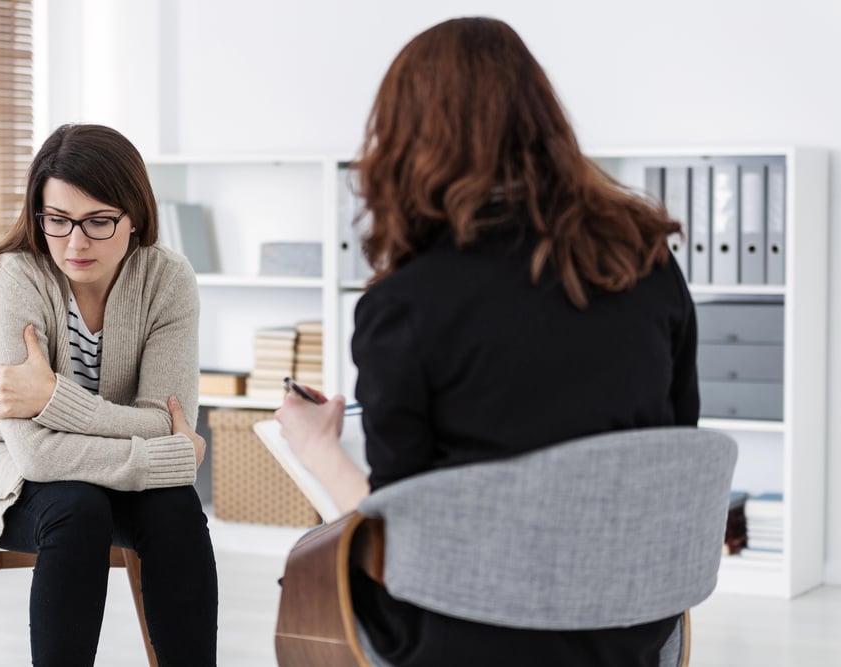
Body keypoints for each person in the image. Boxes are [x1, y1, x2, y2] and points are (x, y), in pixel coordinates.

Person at [275, 17, 698, 667]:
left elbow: (399, 541)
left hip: (470, 640)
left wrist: (317, 445)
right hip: (631, 630)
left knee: (315, 558)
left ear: (407, 142)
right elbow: (670, 455)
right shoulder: (647, 265)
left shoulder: (404, 304)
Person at [0, 124, 218, 666]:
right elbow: (36, 453)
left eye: (99, 222)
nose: (75, 244)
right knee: (77, 507)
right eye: (57, 221)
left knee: (175, 506)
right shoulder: (10, 277)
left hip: (88, 476)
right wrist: (169, 455)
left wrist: (53, 397)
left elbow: (165, 417)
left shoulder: (167, 278)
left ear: (135, 218)